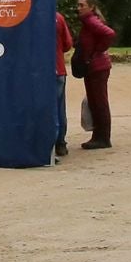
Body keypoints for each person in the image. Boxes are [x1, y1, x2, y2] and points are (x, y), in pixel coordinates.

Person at [73, 0, 116, 150]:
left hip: (97, 66)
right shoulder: (88, 22)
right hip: (93, 66)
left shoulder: (91, 21)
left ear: (91, 7)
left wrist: (97, 51)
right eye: (78, 5)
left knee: (99, 102)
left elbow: (109, 34)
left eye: (82, 5)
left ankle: (103, 137)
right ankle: (98, 135)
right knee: (94, 101)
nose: (78, 8)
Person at [53, 10, 72, 160]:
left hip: (40, 71)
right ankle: (60, 143)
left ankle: (49, 144)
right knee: (59, 108)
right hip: (58, 69)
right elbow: (67, 44)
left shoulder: (33, 16)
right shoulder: (59, 17)